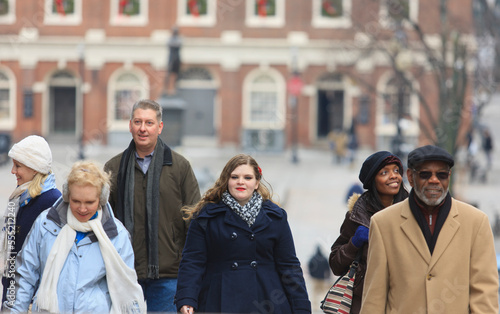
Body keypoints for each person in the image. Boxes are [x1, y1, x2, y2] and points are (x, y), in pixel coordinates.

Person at [360, 145, 499, 313]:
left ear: (449, 176)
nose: (434, 180)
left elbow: (484, 294)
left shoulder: (476, 222)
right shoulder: (383, 224)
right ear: (410, 177)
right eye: (425, 174)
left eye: (441, 175)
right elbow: (374, 298)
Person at [175, 154, 311, 314]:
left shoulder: (276, 217)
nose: (241, 182)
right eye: (235, 177)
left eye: (247, 177)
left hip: (266, 299)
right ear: (227, 180)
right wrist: (187, 298)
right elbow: (192, 261)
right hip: (218, 300)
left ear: (256, 182)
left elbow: (289, 267)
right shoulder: (206, 217)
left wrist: (301, 307)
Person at [7, 161, 146, 313]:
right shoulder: (44, 224)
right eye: (76, 201)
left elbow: (127, 288)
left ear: (102, 198)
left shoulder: (117, 235)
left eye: (90, 202)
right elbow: (24, 276)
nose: (82, 208)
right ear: (67, 196)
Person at [104, 99, 201, 313]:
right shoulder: (113, 167)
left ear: (160, 126)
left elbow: (194, 222)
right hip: (125, 274)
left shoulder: (180, 167)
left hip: (169, 277)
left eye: (149, 123)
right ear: (130, 125)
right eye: (137, 122)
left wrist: (191, 275)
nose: (142, 128)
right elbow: (105, 221)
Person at [329, 151, 408, 314]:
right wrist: (354, 244)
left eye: (396, 170)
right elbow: (335, 265)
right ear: (373, 180)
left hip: (405, 302)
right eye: (384, 172)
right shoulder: (357, 215)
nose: (393, 176)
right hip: (364, 303)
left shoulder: (414, 212)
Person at [1, 135, 62, 305]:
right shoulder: (20, 196)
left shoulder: (52, 201)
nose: (13, 171)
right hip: (13, 289)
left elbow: (51, 260)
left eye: (18, 166)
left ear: (35, 168)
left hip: (31, 298)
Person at [308, 245, 330, 310]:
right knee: (323, 293)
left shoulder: (313, 258)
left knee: (314, 294)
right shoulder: (324, 258)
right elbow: (327, 269)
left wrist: (312, 275)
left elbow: (309, 267)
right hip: (322, 279)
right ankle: (323, 307)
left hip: (314, 279)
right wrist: (328, 277)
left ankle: (314, 308)